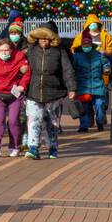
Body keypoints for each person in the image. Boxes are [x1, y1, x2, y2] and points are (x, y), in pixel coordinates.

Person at [23, 24, 75, 159]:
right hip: (33, 91)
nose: (44, 40)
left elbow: (67, 70)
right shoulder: (31, 50)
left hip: (54, 92)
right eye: (41, 37)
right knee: (34, 119)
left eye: (47, 37)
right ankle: (33, 147)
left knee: (51, 122)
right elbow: (20, 64)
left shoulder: (59, 51)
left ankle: (52, 148)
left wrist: (72, 88)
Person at [72, 29, 112, 132]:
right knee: (84, 107)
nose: (86, 46)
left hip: (97, 84)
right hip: (83, 86)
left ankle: (100, 122)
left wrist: (106, 69)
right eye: (84, 44)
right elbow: (72, 69)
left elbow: (106, 64)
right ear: (81, 45)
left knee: (99, 105)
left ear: (91, 44)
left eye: (88, 44)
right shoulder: (77, 56)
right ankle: (84, 126)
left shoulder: (98, 55)